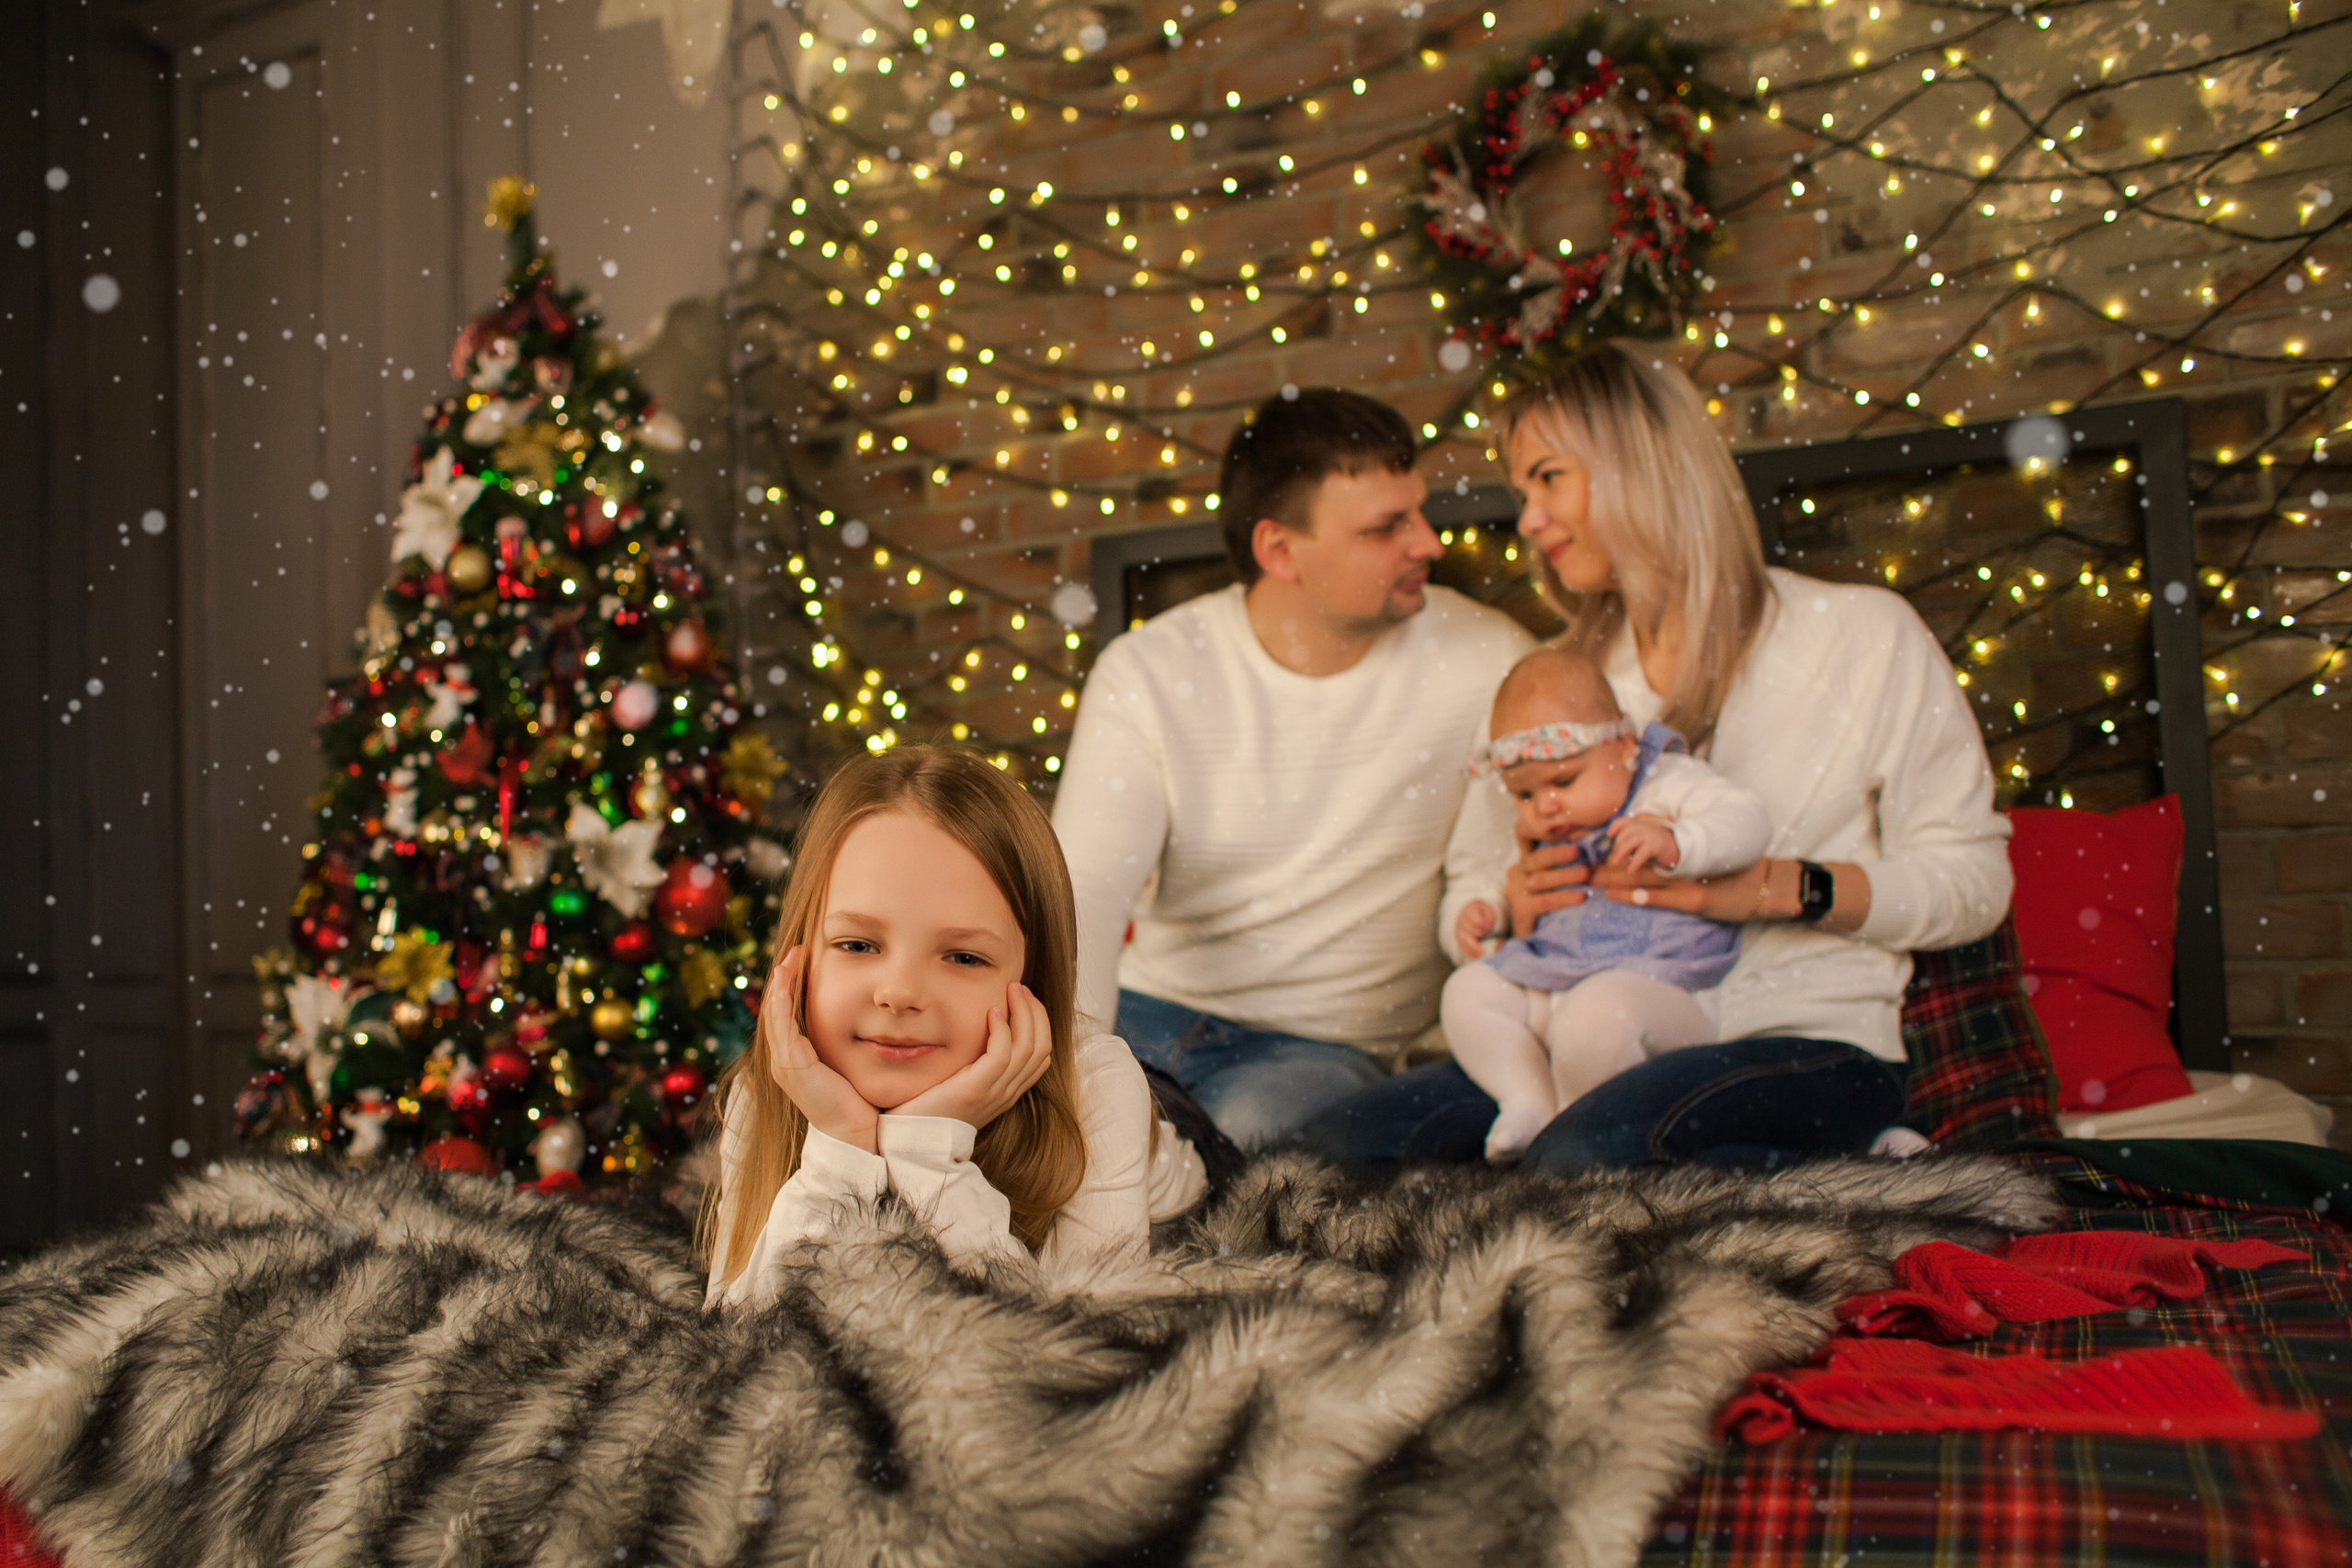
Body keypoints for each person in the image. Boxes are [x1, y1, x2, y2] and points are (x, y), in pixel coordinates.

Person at [1300, 343, 2009, 1176]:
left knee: (1587, 1154)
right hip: (1580, 1035)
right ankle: (1811, 1174)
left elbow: (1975, 885)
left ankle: (1864, 1165)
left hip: (1805, 1039)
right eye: (1523, 491)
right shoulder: (1559, 690)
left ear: (1642, 466)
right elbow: (1470, 890)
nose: (1528, 519)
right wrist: (1514, 907)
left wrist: (1780, 886)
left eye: (1549, 479)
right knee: (1324, 1156)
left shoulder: (1862, 636)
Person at [1052, 388, 1535, 1148]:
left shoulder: (1488, 659)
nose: (1430, 544)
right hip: (1150, 1009)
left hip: (1321, 1047)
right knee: (1059, 1131)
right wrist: (1072, 1084)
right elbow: (1084, 893)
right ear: (1280, 550)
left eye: (1418, 511)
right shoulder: (1149, 669)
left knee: (1244, 1142)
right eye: (1388, 527)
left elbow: (1487, 875)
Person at [703, 746, 1207, 1308]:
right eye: (857, 945)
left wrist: (927, 1152)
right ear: (804, 955)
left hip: (1169, 1144)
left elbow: (1071, 1349)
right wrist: (840, 1145)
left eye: (963, 957)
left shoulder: (1099, 1091)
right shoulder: (764, 1091)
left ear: (1031, 978)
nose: (898, 994)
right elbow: (739, 1331)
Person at [1445, 646, 1770, 1161]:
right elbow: (1502, 873)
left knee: (1597, 1012)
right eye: (1525, 795)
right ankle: (1530, 1101)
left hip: (1662, 992)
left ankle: (1582, 1134)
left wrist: (1681, 844)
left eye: (1564, 781)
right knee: (1466, 992)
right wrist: (1492, 909)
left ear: (1623, 747)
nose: (1547, 806)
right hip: (1556, 983)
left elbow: (1748, 822)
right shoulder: (1550, 826)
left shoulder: (1665, 784)